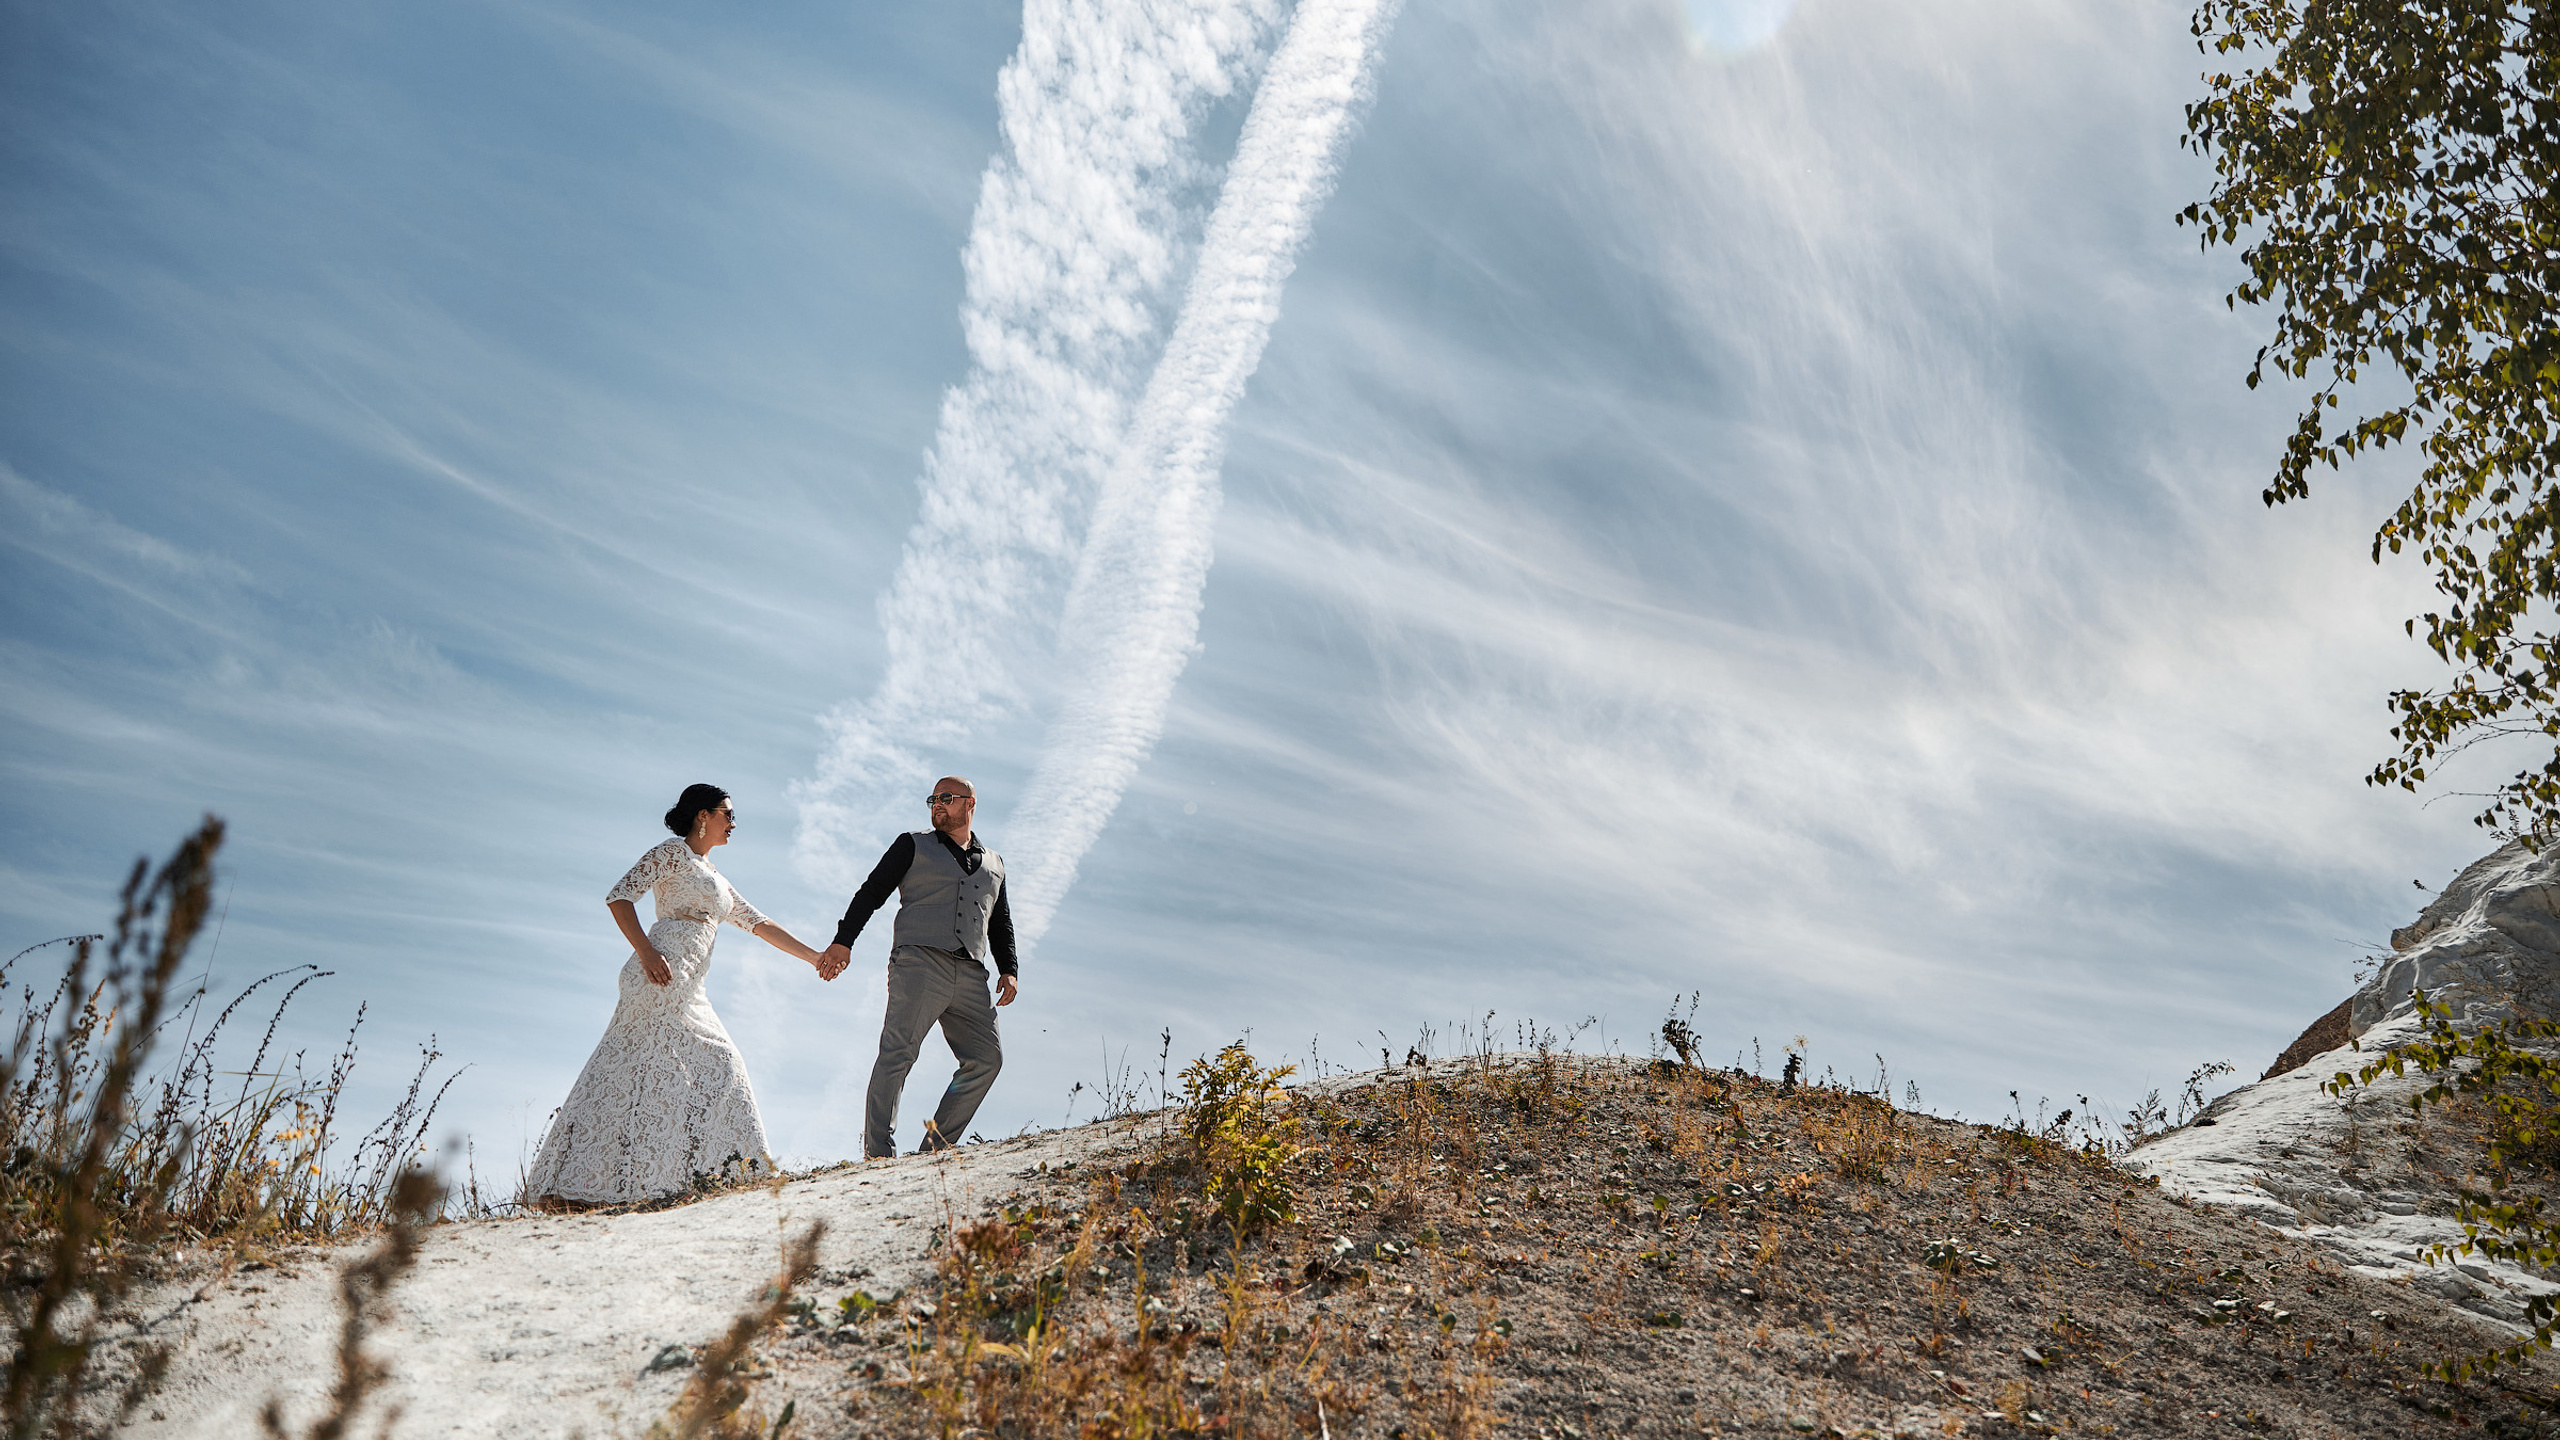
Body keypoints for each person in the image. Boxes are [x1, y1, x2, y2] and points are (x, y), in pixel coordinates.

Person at [526, 784, 834, 1207]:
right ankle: (571, 1188)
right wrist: (647, 951)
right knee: (632, 1067)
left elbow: (760, 923)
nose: (734, 823)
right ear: (703, 816)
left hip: (691, 985)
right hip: (656, 974)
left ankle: (702, 1177)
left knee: (699, 1067)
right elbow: (619, 897)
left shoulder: (718, 881)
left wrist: (814, 957)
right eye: (728, 814)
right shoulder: (672, 853)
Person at [822, 776, 1017, 1158]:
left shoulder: (994, 863)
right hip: (919, 964)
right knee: (898, 1053)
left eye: (946, 798)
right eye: (933, 799)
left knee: (987, 1059)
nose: (937, 804)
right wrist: (843, 941)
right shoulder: (911, 844)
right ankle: (878, 1154)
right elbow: (872, 891)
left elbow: (1000, 920)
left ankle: (934, 1149)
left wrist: (1008, 968)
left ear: (970, 803)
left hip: (972, 973)